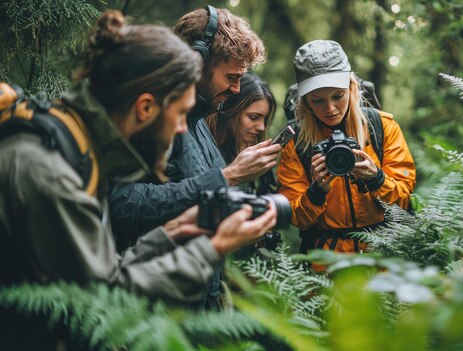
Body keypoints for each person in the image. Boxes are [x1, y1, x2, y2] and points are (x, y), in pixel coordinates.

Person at [0, 11, 277, 348]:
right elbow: (105, 298)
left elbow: (101, 271)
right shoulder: (50, 170)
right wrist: (212, 247)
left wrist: (173, 233)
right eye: (178, 116)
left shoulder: (77, 148)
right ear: (146, 108)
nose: (181, 129)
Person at [108, 5, 282, 309]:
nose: (237, 88)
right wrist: (229, 176)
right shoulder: (152, 118)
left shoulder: (200, 122)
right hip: (153, 309)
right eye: (231, 76)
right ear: (197, 62)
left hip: (201, 306)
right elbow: (124, 206)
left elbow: (196, 198)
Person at [277, 40, 416, 259]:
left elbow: (405, 201)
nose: (330, 109)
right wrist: (316, 192)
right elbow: (296, 217)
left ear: (351, 88)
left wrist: (376, 179)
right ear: (305, 101)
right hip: (326, 265)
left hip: (384, 256)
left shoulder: (382, 128)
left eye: (337, 96)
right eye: (317, 100)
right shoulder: (298, 144)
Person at [206, 72, 278, 195]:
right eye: (254, 117)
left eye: (265, 119)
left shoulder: (247, 154)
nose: (262, 127)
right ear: (232, 110)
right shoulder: (202, 149)